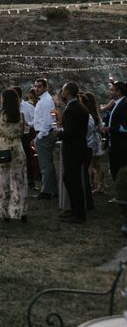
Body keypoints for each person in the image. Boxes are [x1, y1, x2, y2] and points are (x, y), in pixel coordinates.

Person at [0, 89, 27, 222]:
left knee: (2, 181)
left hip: (3, 149)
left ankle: (4, 212)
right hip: (18, 149)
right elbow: (22, 132)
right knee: (19, 181)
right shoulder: (21, 115)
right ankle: (20, 211)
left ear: (4, 100)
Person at [56, 82, 89, 224]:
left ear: (68, 92)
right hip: (80, 147)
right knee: (70, 180)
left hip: (73, 149)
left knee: (72, 181)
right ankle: (75, 210)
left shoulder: (71, 109)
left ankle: (79, 213)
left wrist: (58, 134)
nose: (61, 92)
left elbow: (70, 133)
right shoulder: (81, 107)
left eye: (63, 90)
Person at [33, 78, 58, 199]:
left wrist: (40, 135)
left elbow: (48, 120)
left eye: (39, 86)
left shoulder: (46, 100)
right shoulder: (43, 100)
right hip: (43, 133)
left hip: (45, 135)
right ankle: (53, 189)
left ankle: (46, 191)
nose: (36, 89)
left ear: (45, 87)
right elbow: (40, 118)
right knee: (47, 163)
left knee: (45, 164)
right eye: (36, 86)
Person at [101, 81, 127, 180]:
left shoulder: (124, 105)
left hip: (121, 145)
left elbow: (125, 127)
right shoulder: (116, 104)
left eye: (112, 90)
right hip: (113, 144)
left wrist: (109, 129)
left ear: (119, 92)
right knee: (114, 169)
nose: (110, 92)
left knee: (119, 171)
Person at [80, 92, 101, 206]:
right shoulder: (88, 116)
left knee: (86, 171)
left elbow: (84, 133)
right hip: (88, 146)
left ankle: (88, 198)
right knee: (88, 170)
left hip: (86, 146)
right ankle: (88, 197)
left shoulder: (87, 117)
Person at [13, 86, 36, 190]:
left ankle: (30, 182)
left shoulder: (29, 107)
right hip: (13, 136)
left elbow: (35, 121)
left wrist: (27, 123)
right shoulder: (9, 107)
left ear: (19, 96)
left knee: (27, 159)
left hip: (25, 136)